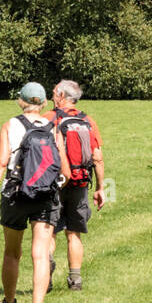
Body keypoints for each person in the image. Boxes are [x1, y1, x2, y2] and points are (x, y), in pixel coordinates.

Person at [0, 82, 67, 303]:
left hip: (15, 194)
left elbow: (0, 163)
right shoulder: (53, 128)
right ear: (43, 104)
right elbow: (64, 169)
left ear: (20, 101)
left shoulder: (10, 125)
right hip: (45, 196)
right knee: (40, 254)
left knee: (11, 253)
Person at [48, 80, 106, 292]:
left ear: (62, 95)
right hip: (80, 181)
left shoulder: (50, 119)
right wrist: (100, 187)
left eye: (54, 92)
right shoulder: (87, 120)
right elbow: (97, 157)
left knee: (49, 230)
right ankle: (75, 280)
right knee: (74, 233)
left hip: (54, 183)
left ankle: (46, 273)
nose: (52, 96)